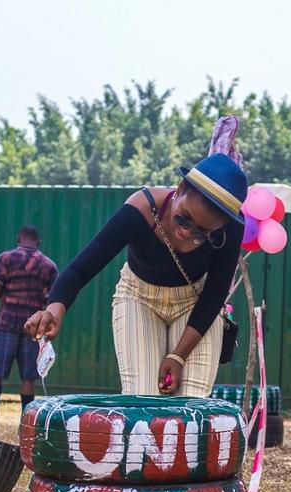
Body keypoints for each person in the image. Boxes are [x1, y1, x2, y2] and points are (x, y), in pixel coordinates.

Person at [24, 153, 246, 397]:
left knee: (191, 406)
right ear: (181, 188)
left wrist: (178, 356)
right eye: (183, 218)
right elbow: (80, 269)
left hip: (196, 305)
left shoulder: (230, 228)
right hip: (138, 298)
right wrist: (54, 311)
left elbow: (215, 294)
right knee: (142, 400)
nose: (185, 232)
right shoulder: (142, 208)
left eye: (202, 232)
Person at [0, 225, 58, 434]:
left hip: (5, 323)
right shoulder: (48, 265)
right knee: (28, 378)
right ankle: (26, 427)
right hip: (31, 329)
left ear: (18, 238)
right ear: (38, 242)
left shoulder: (5, 258)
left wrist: (11, 298)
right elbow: (52, 299)